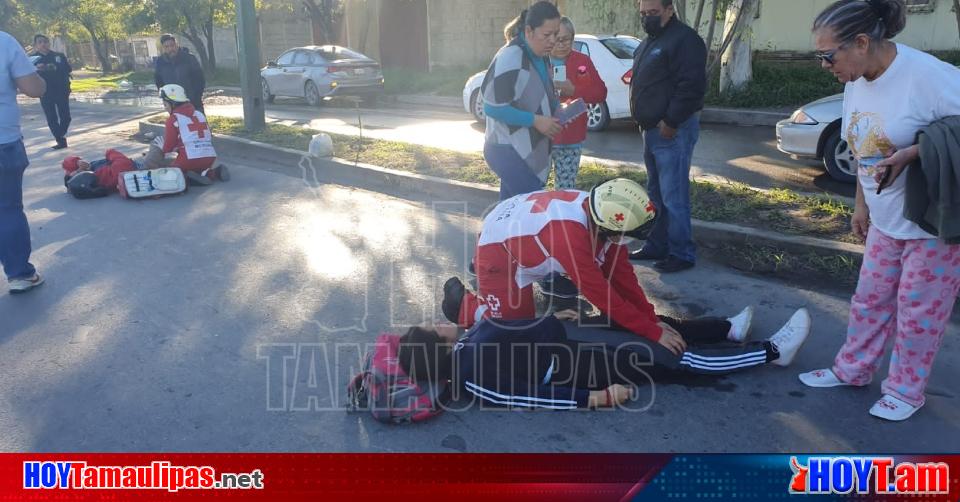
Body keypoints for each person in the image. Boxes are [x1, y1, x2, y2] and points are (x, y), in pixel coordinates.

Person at [797, 0, 960, 422]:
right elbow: (863, 145)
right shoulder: (857, 77)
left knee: (919, 312)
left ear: (863, 42)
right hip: (885, 219)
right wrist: (861, 204)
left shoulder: (928, 76)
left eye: (828, 55)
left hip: (930, 223)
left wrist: (914, 152)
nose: (824, 65)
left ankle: (906, 391)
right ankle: (852, 370)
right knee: (869, 300)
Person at [449, 178, 718, 357]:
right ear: (609, 228)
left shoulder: (600, 210)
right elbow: (601, 294)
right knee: (517, 339)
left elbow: (623, 278)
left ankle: (498, 307)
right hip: (498, 253)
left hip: (519, 232)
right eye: (628, 234)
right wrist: (651, 332)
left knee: (531, 327)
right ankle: (467, 306)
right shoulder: (572, 236)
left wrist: (652, 319)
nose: (627, 241)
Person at [398, 306, 810, 410]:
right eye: (435, 329)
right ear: (438, 347)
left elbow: (514, 328)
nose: (440, 323)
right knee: (667, 359)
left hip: (567, 334)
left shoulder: (469, 338)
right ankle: (772, 352)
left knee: (644, 322)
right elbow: (526, 396)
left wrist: (550, 316)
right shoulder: (469, 376)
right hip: (579, 364)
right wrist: (592, 398)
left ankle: (727, 329)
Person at [627, 0, 707, 274]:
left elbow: (692, 86)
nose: (647, 18)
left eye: (653, 13)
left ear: (670, 10)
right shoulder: (652, 39)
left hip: (672, 130)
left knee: (674, 195)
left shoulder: (685, 40)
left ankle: (681, 252)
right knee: (656, 194)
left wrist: (670, 121)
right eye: (643, 14)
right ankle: (657, 244)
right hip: (651, 130)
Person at [481, 1, 562, 200]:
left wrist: (558, 109)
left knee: (510, 212)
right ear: (529, 30)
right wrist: (535, 120)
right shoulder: (511, 57)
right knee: (531, 207)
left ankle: (495, 232)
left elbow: (540, 91)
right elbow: (491, 107)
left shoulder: (540, 54)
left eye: (555, 34)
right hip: (506, 149)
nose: (553, 41)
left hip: (524, 149)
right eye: (546, 35)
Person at [1, 30, 46, 294]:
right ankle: (19, 274)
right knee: (6, 209)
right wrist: (41, 80)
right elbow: (33, 88)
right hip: (3, 142)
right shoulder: (4, 42)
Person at [549, 17, 607, 190]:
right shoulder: (540, 61)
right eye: (556, 38)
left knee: (565, 190)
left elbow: (600, 93)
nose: (560, 44)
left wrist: (573, 90)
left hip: (570, 138)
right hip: (540, 138)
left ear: (573, 38)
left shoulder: (583, 62)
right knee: (536, 190)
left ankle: (562, 218)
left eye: (565, 39)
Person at [159, 84, 228, 185]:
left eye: (165, 105)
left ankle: (189, 179)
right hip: (209, 157)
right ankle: (214, 173)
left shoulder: (173, 119)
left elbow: (168, 147)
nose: (165, 108)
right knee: (197, 169)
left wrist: (161, 149)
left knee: (169, 174)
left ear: (173, 103)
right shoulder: (199, 114)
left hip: (188, 159)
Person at [30, 34, 71, 150]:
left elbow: (68, 69)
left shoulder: (59, 56)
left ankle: (60, 134)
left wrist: (51, 66)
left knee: (66, 117)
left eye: (45, 41)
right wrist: (36, 68)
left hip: (61, 90)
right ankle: (61, 141)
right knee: (51, 118)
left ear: (49, 43)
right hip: (44, 92)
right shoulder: (32, 59)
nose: (43, 44)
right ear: (36, 45)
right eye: (40, 42)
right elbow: (27, 75)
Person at [154, 34, 206, 114]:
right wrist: (166, 100)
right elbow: (159, 82)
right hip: (173, 105)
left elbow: (200, 80)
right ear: (163, 48)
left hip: (193, 103)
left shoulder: (189, 58)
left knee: (198, 125)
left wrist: (196, 97)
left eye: (172, 45)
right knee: (177, 126)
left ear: (177, 45)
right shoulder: (160, 62)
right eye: (166, 47)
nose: (170, 49)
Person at [62, 150, 142, 196]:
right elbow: (123, 164)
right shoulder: (101, 176)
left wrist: (77, 164)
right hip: (139, 168)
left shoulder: (93, 170)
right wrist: (110, 153)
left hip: (130, 165)